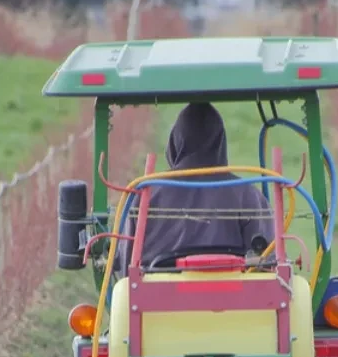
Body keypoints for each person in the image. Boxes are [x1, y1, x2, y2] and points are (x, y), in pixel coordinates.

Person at [114, 102, 273, 277]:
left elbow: (125, 270)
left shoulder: (145, 195)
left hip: (155, 303)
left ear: (175, 142)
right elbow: (269, 265)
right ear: (220, 144)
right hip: (233, 302)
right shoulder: (247, 195)